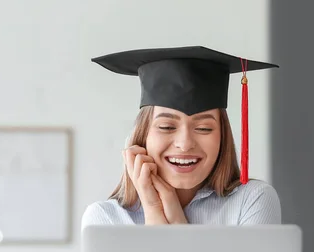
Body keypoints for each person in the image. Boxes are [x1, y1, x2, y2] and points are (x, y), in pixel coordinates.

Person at [82, 46, 282, 227]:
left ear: (223, 137)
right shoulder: (106, 219)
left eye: (204, 128)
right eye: (167, 126)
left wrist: (178, 224)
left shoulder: (252, 200)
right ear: (143, 136)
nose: (185, 144)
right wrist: (152, 210)